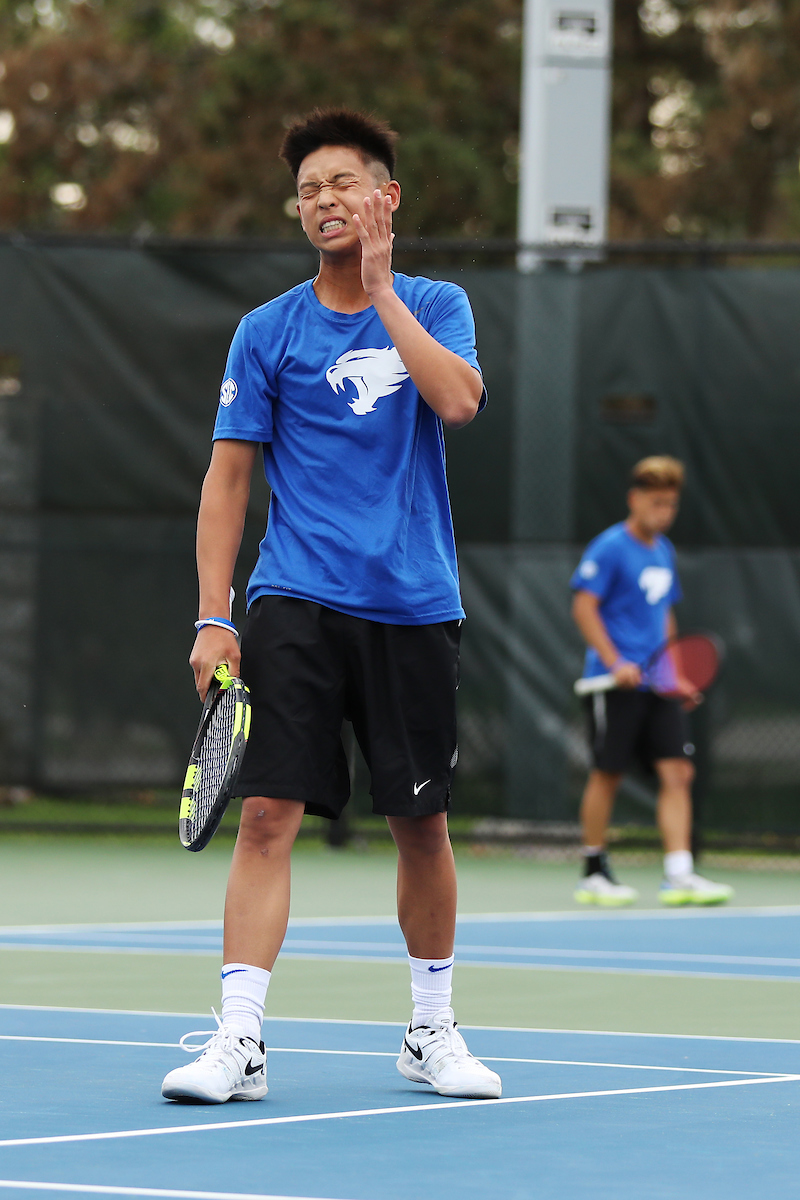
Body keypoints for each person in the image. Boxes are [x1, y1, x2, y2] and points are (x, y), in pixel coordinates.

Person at [160, 108, 502, 1104]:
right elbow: (227, 483)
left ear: (385, 197)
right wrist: (211, 614)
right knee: (266, 814)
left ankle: (429, 1029)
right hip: (292, 600)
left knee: (421, 825)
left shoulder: (437, 306)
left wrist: (384, 292)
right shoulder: (266, 331)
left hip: (411, 605)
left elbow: (457, 402)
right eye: (308, 191)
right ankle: (239, 1039)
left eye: (342, 184)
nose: (323, 203)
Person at [570, 456, 733, 908]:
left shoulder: (663, 551)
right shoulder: (609, 548)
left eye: (671, 504)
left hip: (656, 686)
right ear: (634, 499)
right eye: (656, 502)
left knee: (678, 772)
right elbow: (584, 608)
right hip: (612, 684)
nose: (663, 512)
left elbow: (664, 615)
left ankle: (678, 874)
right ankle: (594, 871)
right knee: (608, 774)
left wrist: (675, 673)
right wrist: (615, 661)